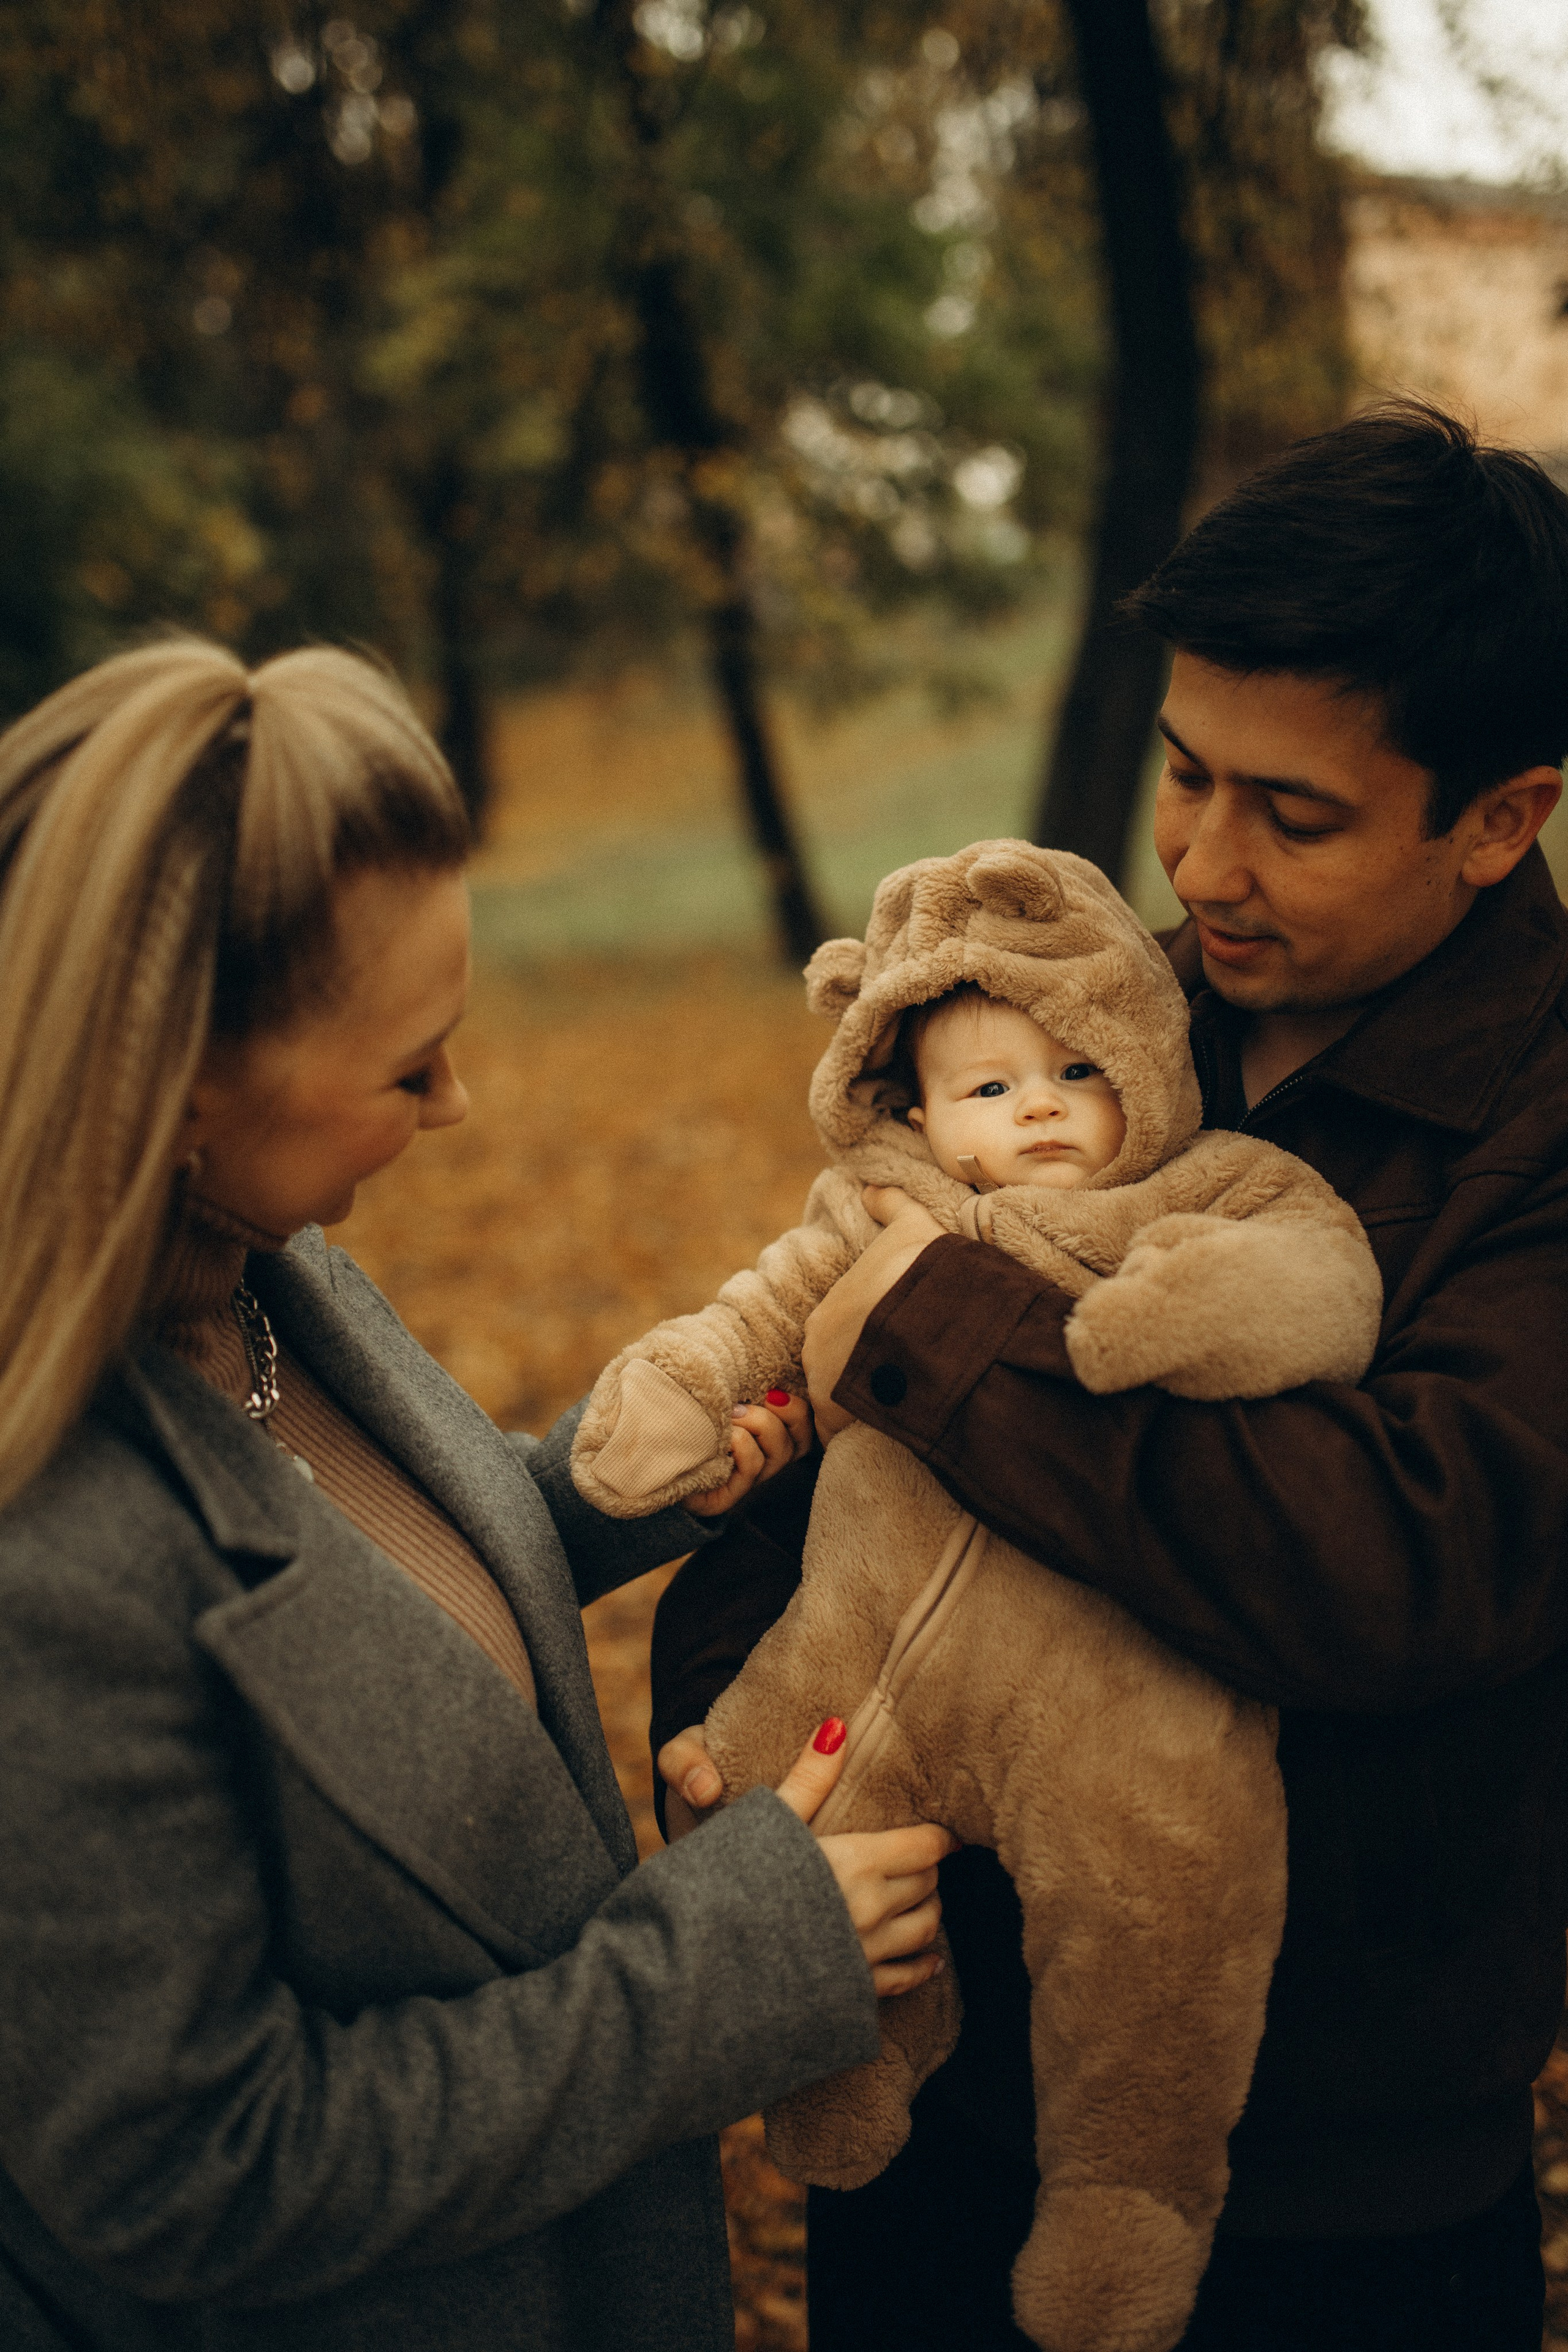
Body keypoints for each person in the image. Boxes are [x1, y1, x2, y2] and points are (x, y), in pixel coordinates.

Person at [650, 402, 1568, 2352]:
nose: (1205, 866)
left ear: (1502, 817)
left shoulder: (1543, 1136)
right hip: (935, 2109)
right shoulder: (1109, 1023)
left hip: (1336, 2204)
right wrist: (739, 1756)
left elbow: (1405, 1560)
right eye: (1182, 774)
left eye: (1292, 816)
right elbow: (817, 1396)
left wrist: (944, 1336)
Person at [0, 637, 954, 2352]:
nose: (460, 1103)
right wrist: (714, 1975)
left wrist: (640, 1472)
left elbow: (362, 1586)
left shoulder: (250, 1268)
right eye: (406, 1066)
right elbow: (197, 2168)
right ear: (178, 1087)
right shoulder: (43, 1555)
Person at [572, 837, 1384, 2350]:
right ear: (921, 1114)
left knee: (1158, 1931)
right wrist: (688, 1392)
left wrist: (1169, 1313)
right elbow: (760, 1312)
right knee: (764, 1797)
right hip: (862, 1651)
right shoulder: (880, 1209)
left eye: (1079, 1068)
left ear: (1142, 1061)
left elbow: (1318, 1284)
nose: (1042, 1111)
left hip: (1121, 1699)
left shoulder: (1201, 1187)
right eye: (990, 1087)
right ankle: (844, 2066)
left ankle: (1125, 2200)